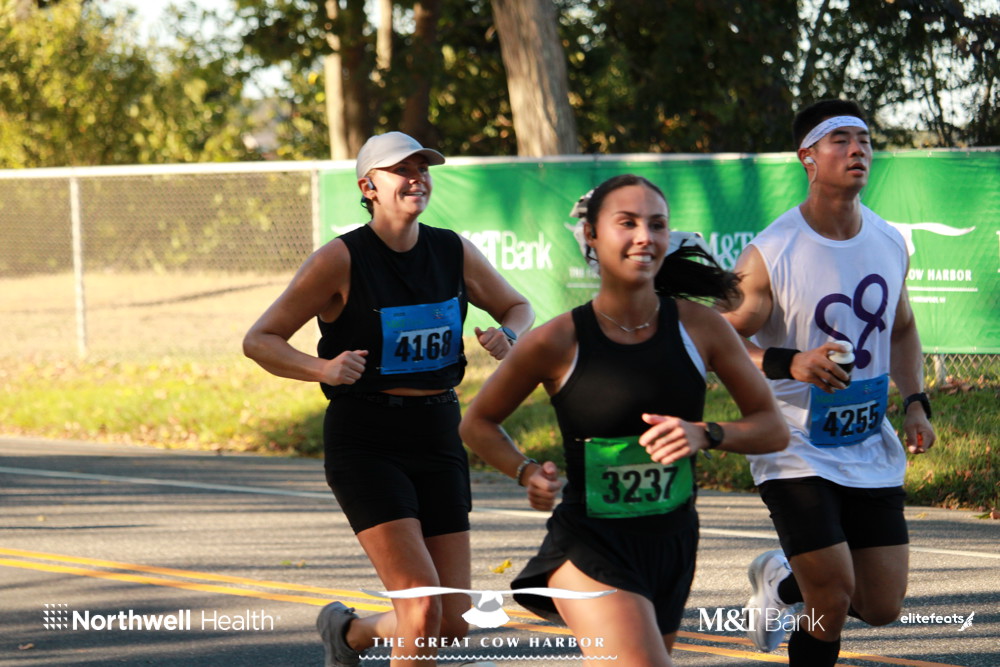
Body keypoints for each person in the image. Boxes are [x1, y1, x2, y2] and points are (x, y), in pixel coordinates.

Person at [459, 174, 789, 666]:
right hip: (588, 544)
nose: (644, 236)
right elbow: (477, 423)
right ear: (591, 235)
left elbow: (772, 427)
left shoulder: (702, 328)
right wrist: (526, 471)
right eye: (627, 223)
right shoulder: (557, 340)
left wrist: (705, 433)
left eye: (657, 224)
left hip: (673, 541)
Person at [242, 131, 534, 667]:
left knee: (450, 623)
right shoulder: (341, 259)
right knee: (420, 609)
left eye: (423, 168)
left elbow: (518, 306)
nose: (417, 177)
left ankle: (349, 633)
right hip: (367, 439)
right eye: (402, 169)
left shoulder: (452, 250)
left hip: (440, 432)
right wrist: (323, 368)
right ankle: (358, 633)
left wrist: (509, 334)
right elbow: (260, 340)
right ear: (368, 187)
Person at [720, 99, 936, 665]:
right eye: (840, 140)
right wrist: (786, 362)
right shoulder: (771, 252)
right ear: (808, 158)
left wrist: (915, 402)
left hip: (866, 439)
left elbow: (903, 329)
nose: (857, 149)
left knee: (880, 605)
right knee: (832, 600)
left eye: (864, 139)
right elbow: (715, 337)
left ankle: (783, 580)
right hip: (792, 443)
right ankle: (809, 592)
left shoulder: (888, 241)